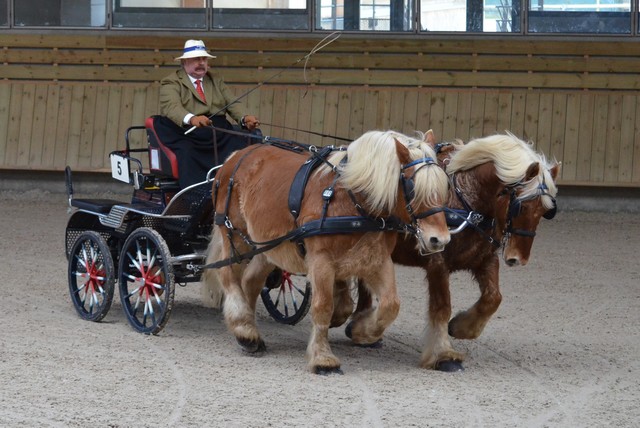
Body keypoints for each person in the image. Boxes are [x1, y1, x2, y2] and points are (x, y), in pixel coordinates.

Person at [157, 39, 260, 188]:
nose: (201, 63)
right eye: (196, 59)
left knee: (249, 140)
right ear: (185, 62)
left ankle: (240, 186)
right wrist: (192, 119)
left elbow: (232, 103)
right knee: (187, 152)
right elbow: (171, 107)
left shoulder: (214, 79)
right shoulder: (171, 82)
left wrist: (244, 118)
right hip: (186, 131)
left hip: (214, 129)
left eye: (204, 59)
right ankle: (195, 193)